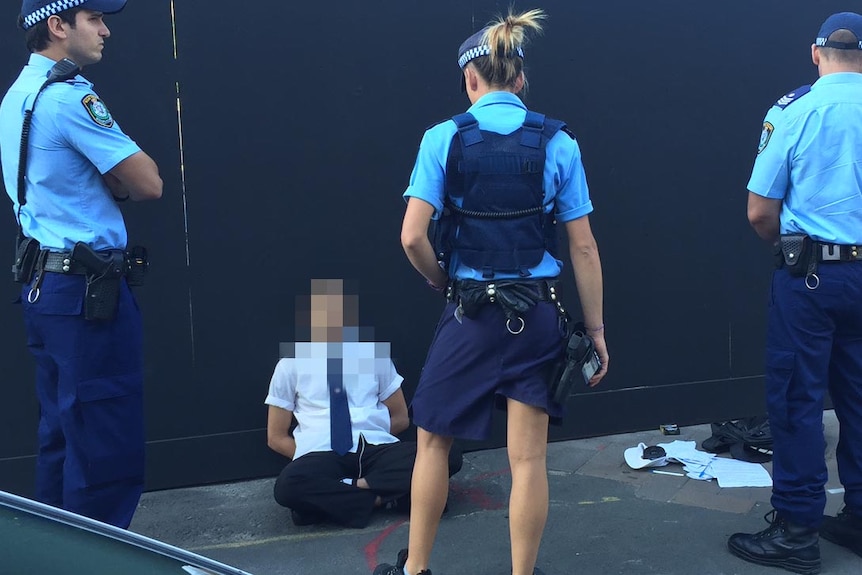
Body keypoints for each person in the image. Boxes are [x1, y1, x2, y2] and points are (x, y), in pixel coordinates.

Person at [373, 9, 608, 575]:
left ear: (470, 79)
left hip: (470, 315)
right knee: (527, 459)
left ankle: (416, 569)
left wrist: (440, 278)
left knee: (432, 444)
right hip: (538, 316)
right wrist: (596, 331)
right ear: (520, 79)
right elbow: (583, 248)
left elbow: (411, 237)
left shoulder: (443, 139)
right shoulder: (559, 142)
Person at [0, 0, 162, 529]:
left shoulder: (17, 95)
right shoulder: (71, 98)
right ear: (57, 25)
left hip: (43, 287)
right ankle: (97, 559)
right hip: (85, 293)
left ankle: (53, 556)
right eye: (94, 19)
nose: (105, 30)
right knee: (103, 441)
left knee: (61, 437)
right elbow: (146, 183)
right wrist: (113, 181)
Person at [727, 11, 862, 574]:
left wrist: (789, 249)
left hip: (810, 276)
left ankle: (797, 528)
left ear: (815, 53)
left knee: (797, 399)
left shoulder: (795, 111)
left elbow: (761, 210)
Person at [266, 279, 462, 528]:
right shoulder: (289, 365)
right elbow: (275, 436)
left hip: (374, 448)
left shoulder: (374, 357)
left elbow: (400, 417)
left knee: (447, 454)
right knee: (287, 486)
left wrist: (372, 437)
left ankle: (342, 497)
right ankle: (390, 498)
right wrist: (307, 456)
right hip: (321, 452)